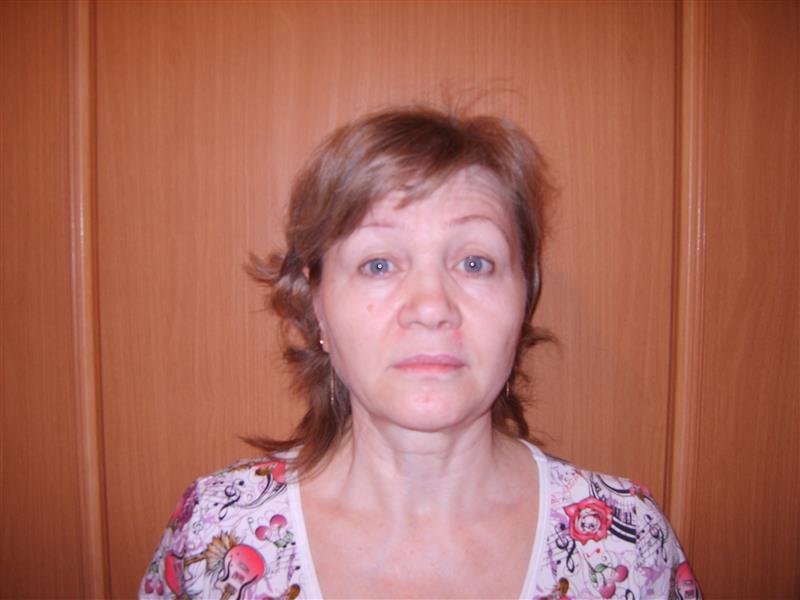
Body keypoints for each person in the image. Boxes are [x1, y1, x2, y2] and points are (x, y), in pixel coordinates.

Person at [140, 107, 701, 600]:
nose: (432, 307)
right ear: (318, 308)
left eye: (475, 262)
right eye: (379, 263)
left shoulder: (625, 543)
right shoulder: (218, 534)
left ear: (524, 299)